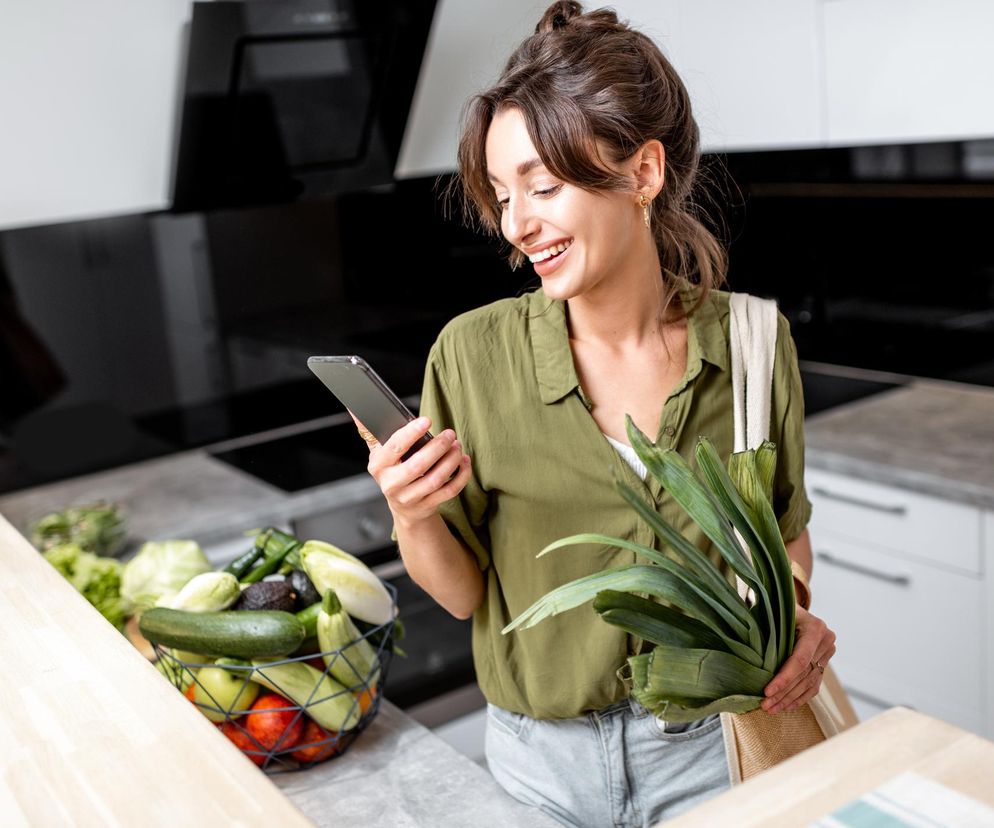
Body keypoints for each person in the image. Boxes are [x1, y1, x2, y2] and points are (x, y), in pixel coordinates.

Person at [353, 2, 836, 825]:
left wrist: (788, 618)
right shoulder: (471, 356)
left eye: (543, 187)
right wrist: (410, 513)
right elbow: (464, 597)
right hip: (538, 765)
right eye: (503, 195)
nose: (518, 224)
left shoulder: (754, 343)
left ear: (643, 172)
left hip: (715, 748)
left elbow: (783, 535)